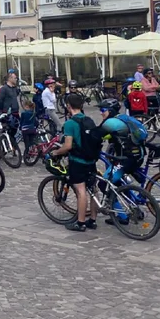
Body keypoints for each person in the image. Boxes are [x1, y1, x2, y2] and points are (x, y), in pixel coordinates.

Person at [51, 92, 101, 232]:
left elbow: (67, 146)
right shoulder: (89, 120)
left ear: (68, 106)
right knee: (93, 189)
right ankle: (93, 219)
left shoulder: (70, 123)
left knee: (81, 191)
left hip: (78, 161)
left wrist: (55, 152)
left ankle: (80, 223)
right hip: (91, 160)